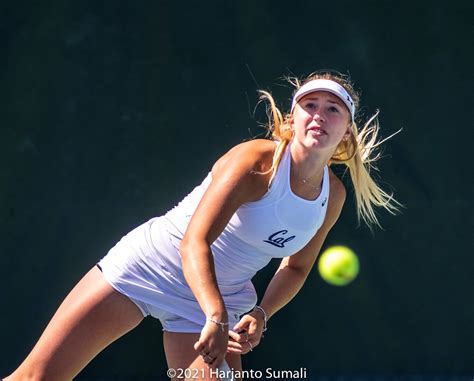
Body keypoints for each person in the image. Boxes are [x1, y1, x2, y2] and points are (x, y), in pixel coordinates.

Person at [3, 71, 400, 381]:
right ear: (292, 118)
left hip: (218, 300)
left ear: (346, 129)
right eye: (309, 105)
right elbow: (195, 241)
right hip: (150, 266)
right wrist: (216, 316)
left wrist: (260, 313)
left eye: (333, 109)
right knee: (38, 377)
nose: (319, 115)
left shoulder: (333, 196)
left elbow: (295, 267)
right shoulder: (255, 163)